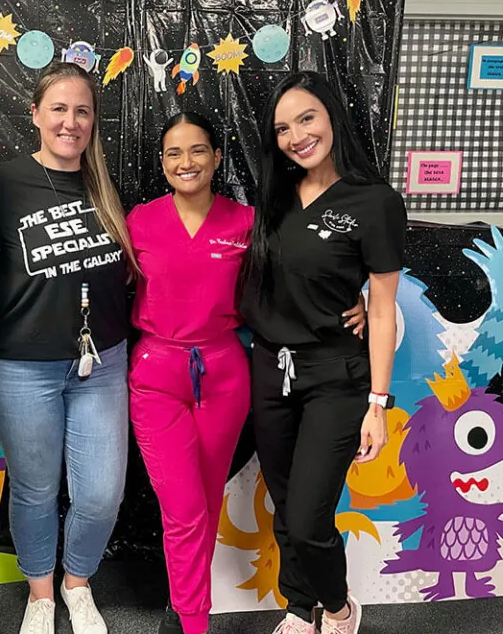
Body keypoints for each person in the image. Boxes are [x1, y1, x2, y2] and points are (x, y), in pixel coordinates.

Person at [126, 113, 367, 634]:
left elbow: (304, 270)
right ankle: (193, 621)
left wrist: (359, 299)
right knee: (185, 508)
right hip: (157, 374)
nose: (185, 162)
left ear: (217, 158)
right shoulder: (139, 221)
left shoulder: (247, 222)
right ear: (162, 163)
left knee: (207, 502)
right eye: (173, 153)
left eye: (197, 151)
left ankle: (184, 603)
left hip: (225, 374)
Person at [240, 71, 407, 634]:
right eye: (283, 128)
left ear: (332, 116)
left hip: (335, 376)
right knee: (286, 510)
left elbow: (382, 308)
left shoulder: (374, 201)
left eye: (306, 118)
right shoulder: (275, 196)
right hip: (270, 371)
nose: (296, 136)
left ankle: (337, 610)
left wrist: (378, 404)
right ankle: (297, 605)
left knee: (311, 516)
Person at [0, 61, 136, 634]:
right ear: (36, 114)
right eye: (60, 109)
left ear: (94, 120)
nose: (71, 121)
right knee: (36, 489)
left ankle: (77, 583)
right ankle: (40, 594)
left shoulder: (108, 186)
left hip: (102, 362)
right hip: (20, 366)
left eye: (83, 111)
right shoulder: (2, 186)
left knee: (100, 493)